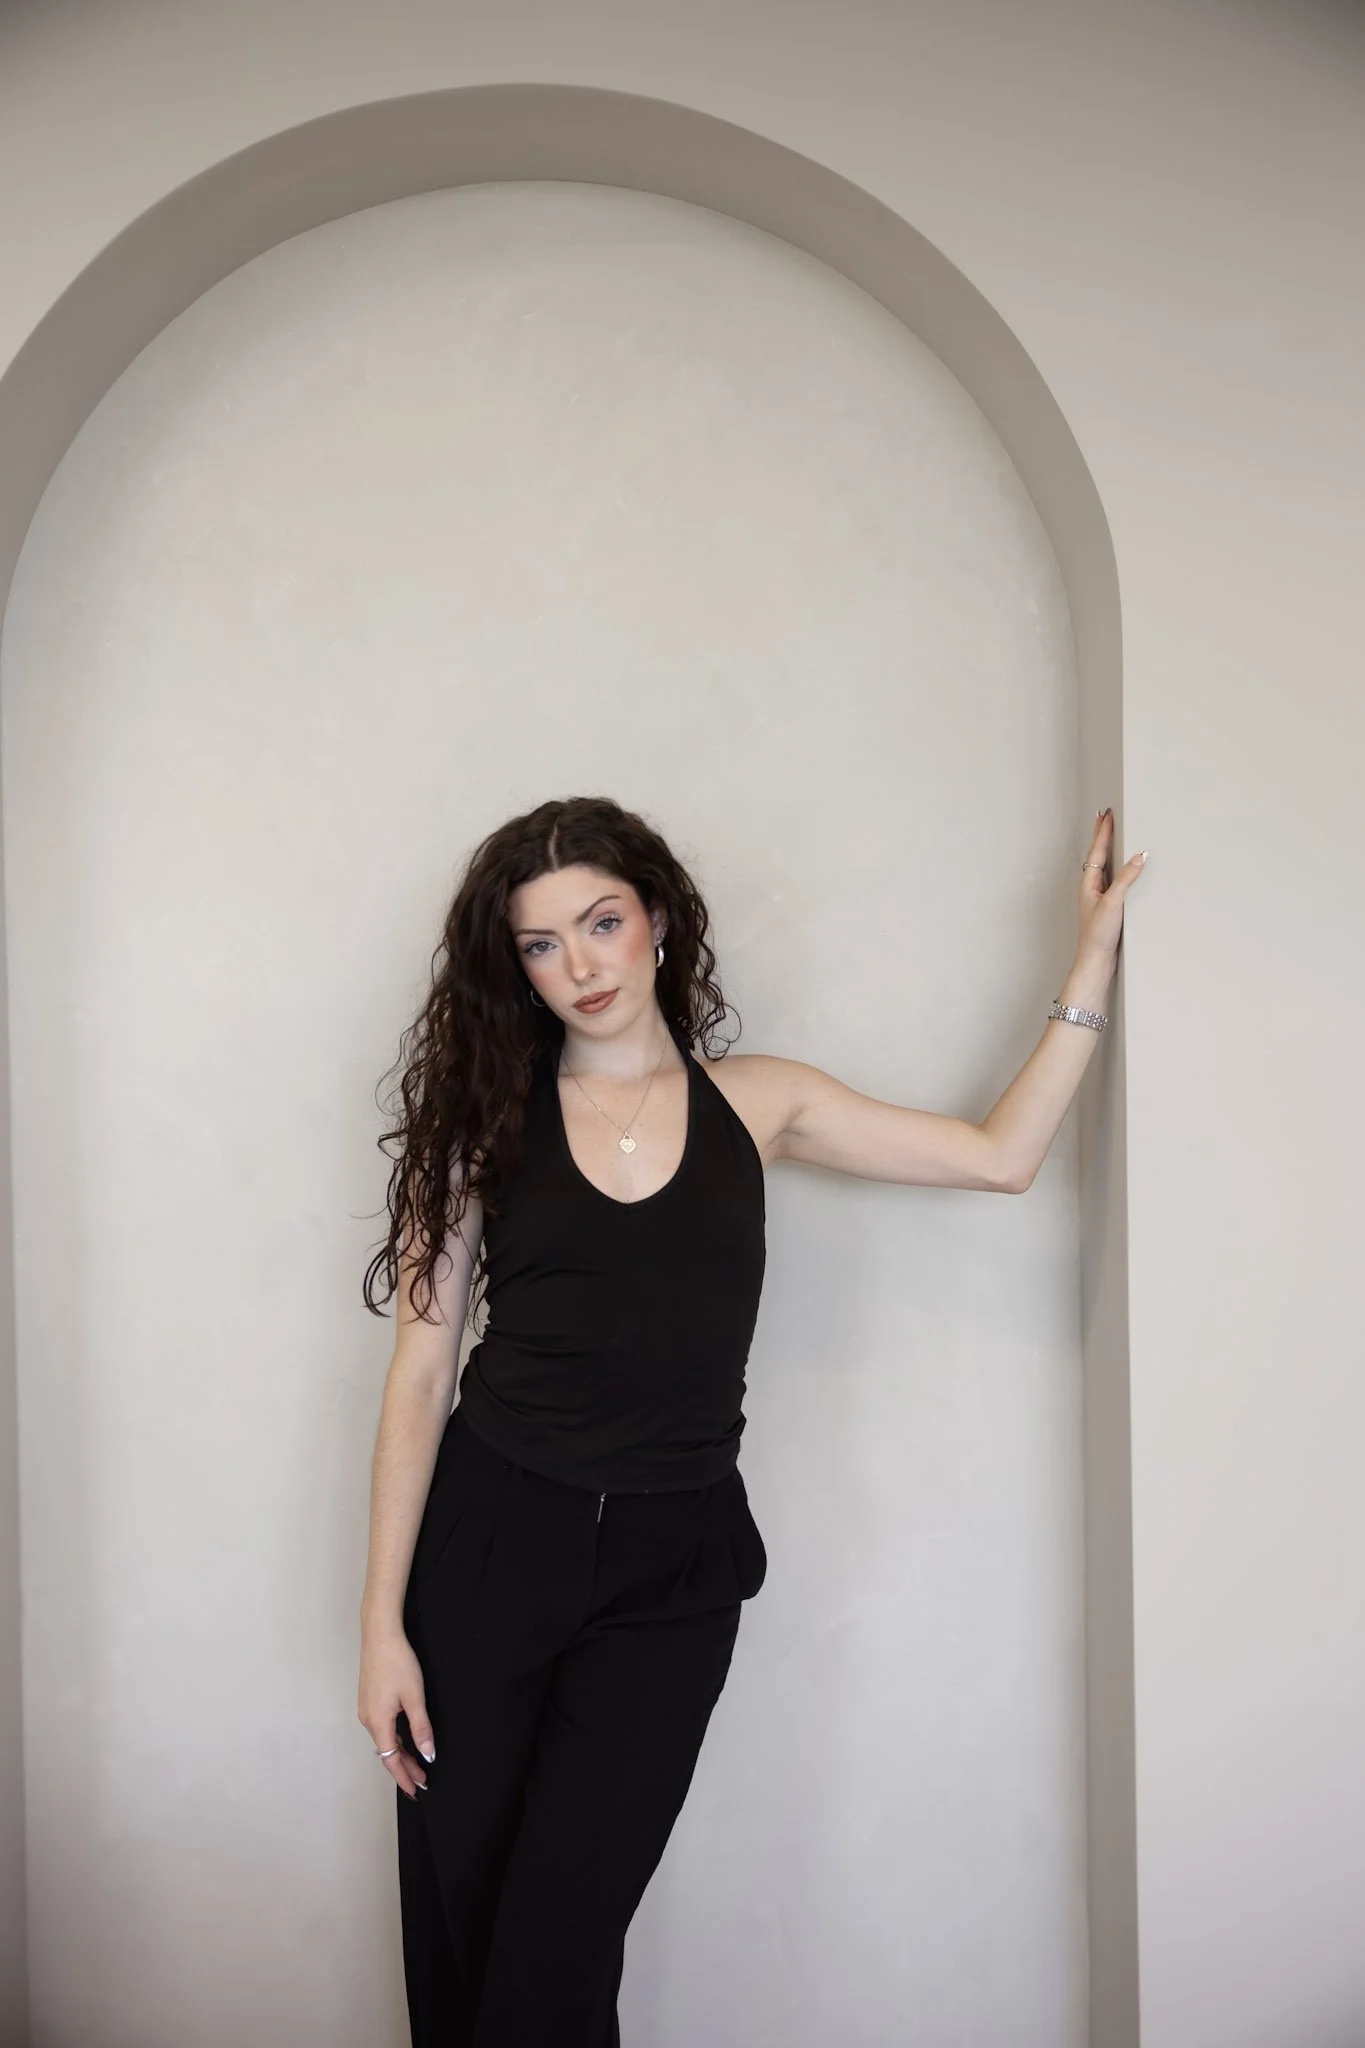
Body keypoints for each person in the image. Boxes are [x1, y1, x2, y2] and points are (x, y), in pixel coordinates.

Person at [356, 793, 1145, 2047]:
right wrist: (382, 1625)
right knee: (465, 1931)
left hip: (674, 1570)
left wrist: (1090, 961)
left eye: (602, 921)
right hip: (486, 1547)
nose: (581, 964)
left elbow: (1001, 1155)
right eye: (542, 943)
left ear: (657, 920)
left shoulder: (761, 1103)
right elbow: (419, 1367)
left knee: (553, 1953)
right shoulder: (483, 1122)